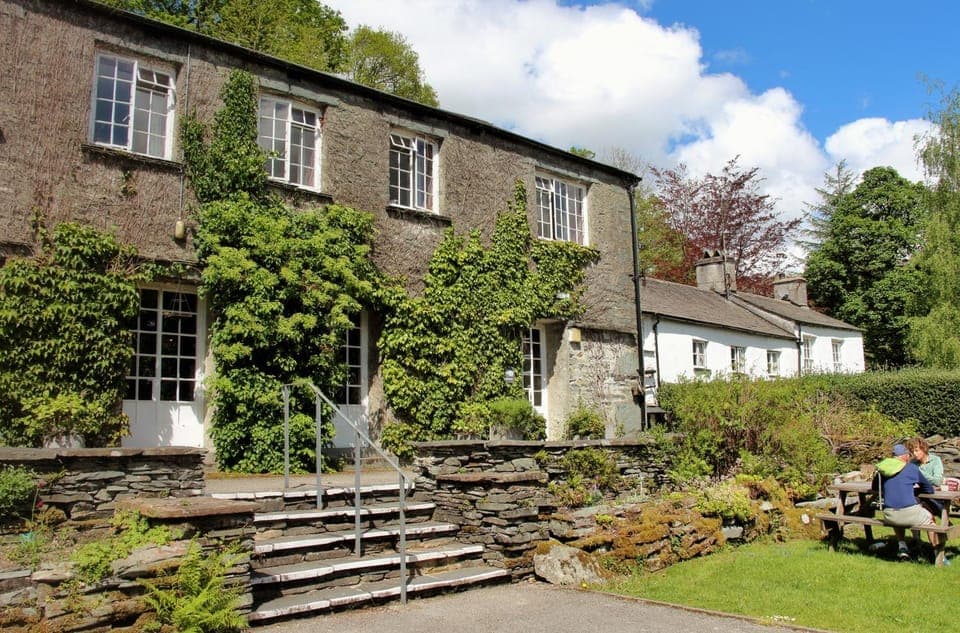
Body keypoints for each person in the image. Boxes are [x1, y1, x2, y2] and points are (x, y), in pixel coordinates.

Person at [876, 443, 938, 560]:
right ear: (904, 456)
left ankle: (902, 547)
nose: (910, 457)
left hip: (889, 514)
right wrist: (914, 487)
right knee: (931, 521)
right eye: (908, 455)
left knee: (898, 513)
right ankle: (938, 554)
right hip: (909, 513)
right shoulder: (910, 468)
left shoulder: (883, 468)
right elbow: (929, 489)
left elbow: (875, 487)